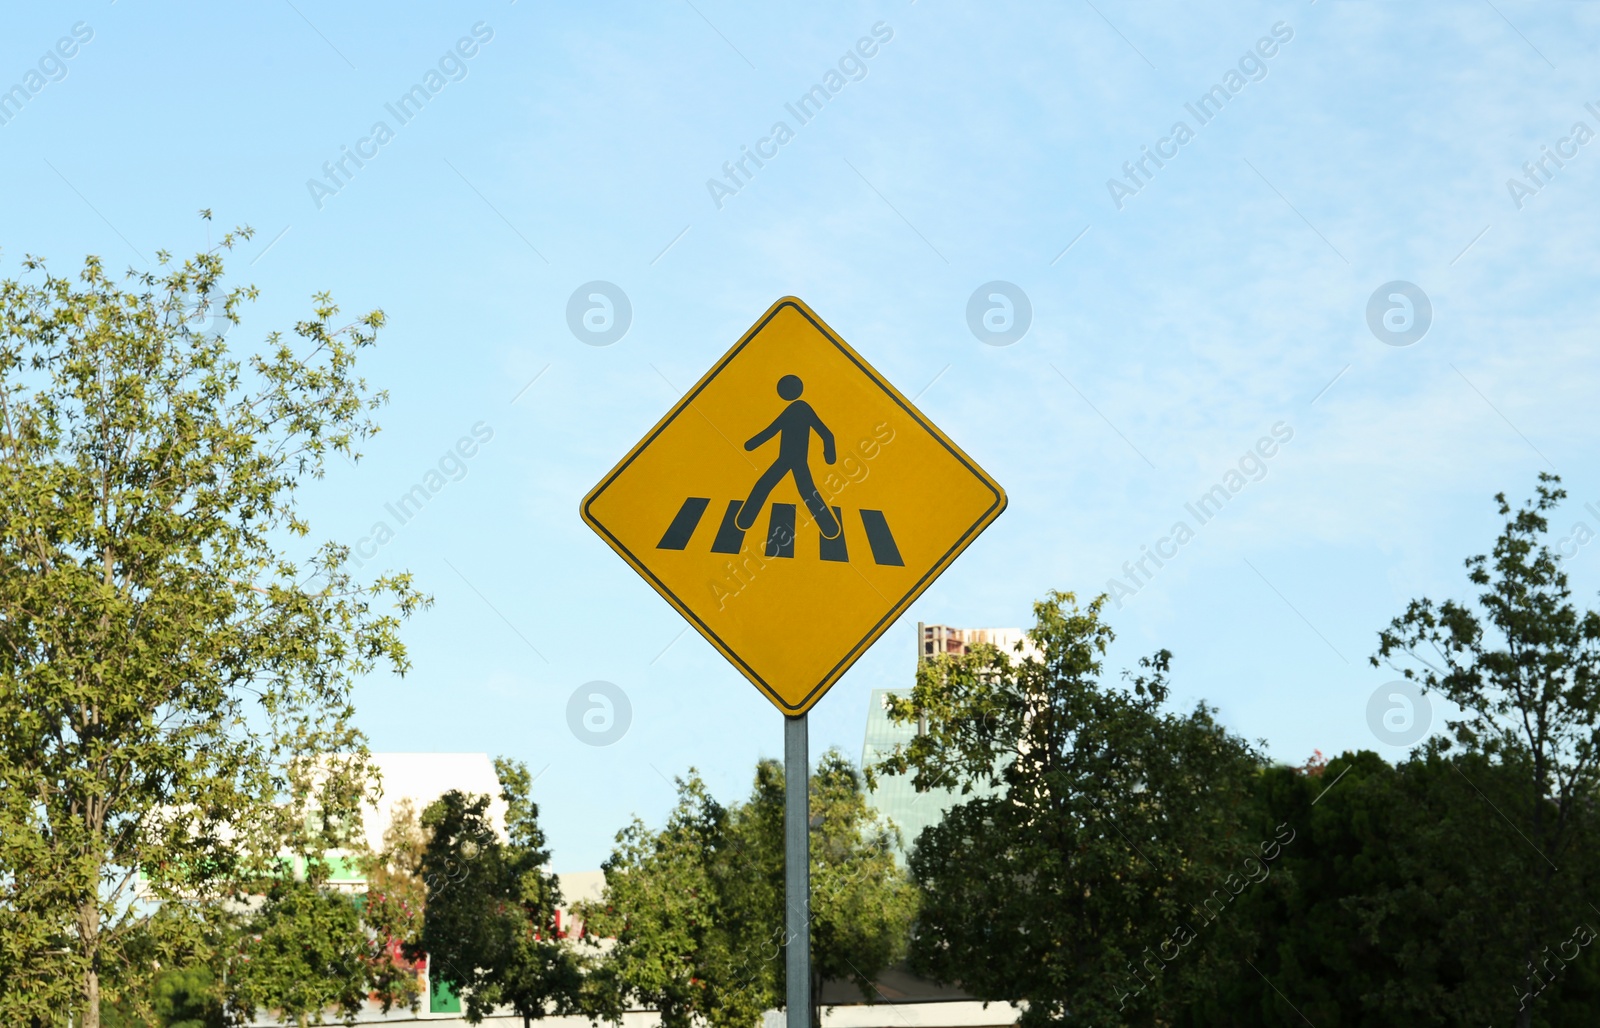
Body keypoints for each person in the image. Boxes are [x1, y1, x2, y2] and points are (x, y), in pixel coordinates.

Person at [734, 374, 841, 539]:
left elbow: (772, 430)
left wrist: (830, 456)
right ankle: (830, 527)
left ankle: (829, 527)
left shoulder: (799, 409)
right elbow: (826, 434)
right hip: (787, 459)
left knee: (769, 485)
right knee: (803, 490)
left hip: (792, 460)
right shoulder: (798, 409)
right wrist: (750, 445)